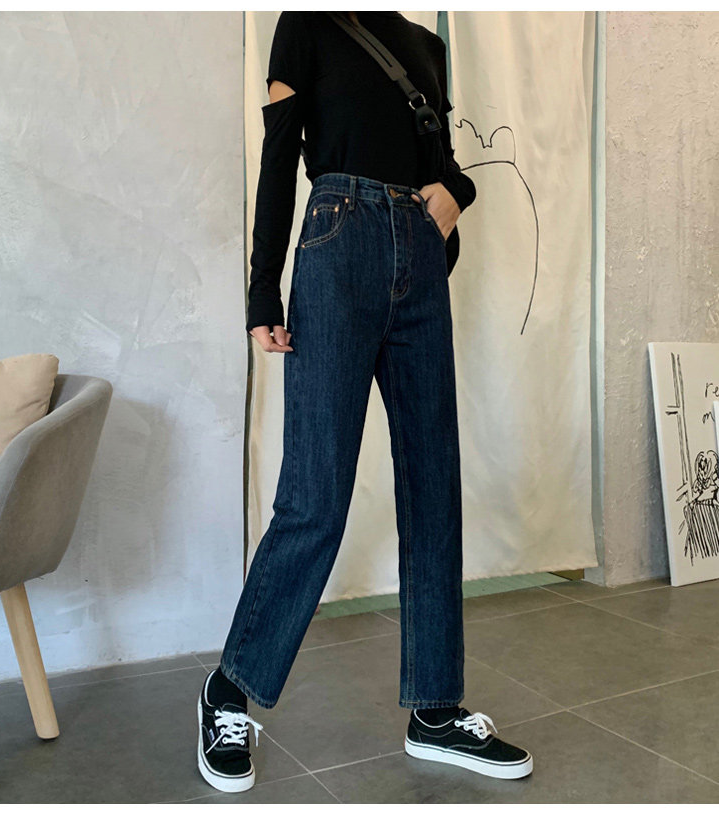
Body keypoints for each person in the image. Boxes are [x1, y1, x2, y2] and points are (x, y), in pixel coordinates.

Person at [197, 11, 533, 794]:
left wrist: (457, 191)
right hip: (337, 244)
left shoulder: (428, 46)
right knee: (315, 493)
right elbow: (280, 157)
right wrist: (261, 291)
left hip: (419, 255)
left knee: (433, 486)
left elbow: (442, 163)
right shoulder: (306, 24)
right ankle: (229, 690)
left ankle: (435, 711)